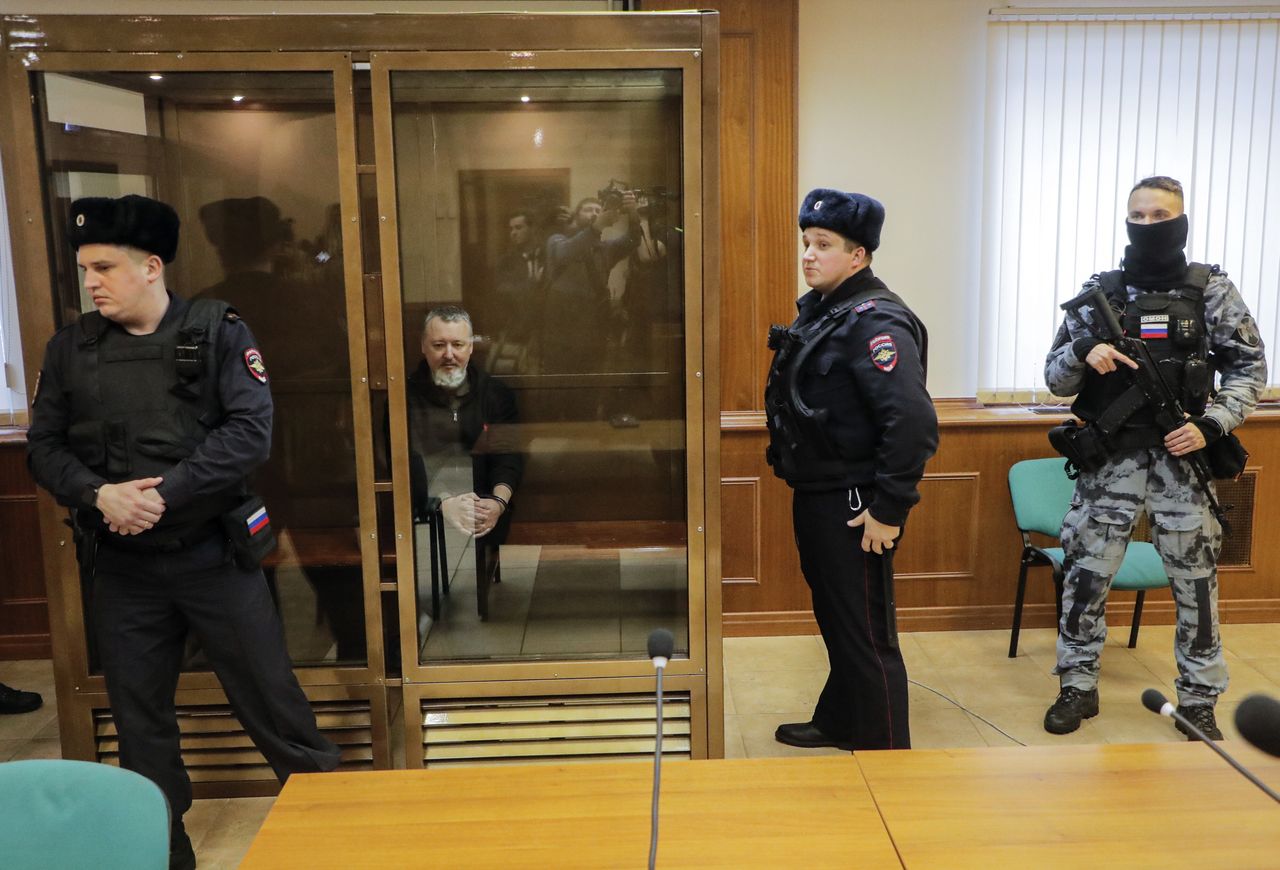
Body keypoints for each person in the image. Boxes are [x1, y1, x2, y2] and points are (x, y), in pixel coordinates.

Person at [26, 195, 341, 870]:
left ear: (151, 266)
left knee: (278, 711)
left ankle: (334, 843)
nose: (91, 282)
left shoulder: (218, 330)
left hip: (214, 556)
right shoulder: (71, 350)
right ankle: (166, 858)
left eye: (104, 267)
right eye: (84, 269)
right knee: (141, 732)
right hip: (122, 569)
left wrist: (161, 496)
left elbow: (249, 434)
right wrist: (99, 493)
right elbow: (44, 447)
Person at [1042, 176, 1266, 740]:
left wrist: (1211, 425)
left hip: (1181, 461)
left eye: (1159, 215)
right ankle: (1077, 686)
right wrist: (1082, 351)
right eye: (1137, 217)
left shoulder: (1211, 289)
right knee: (1086, 576)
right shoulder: (1102, 292)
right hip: (1109, 461)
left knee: (1196, 583)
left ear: (1182, 219)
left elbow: (1249, 370)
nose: (1148, 226)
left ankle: (1199, 699)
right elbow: (1054, 380)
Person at [766, 188, 938, 751]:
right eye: (806, 243)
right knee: (840, 620)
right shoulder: (827, 310)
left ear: (858, 255)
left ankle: (887, 750)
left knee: (866, 632)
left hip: (856, 501)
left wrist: (887, 511)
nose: (809, 255)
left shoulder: (875, 322)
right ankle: (840, 719)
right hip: (821, 490)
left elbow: (911, 423)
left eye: (824, 245)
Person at [405, 305, 523, 545]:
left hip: (483, 506)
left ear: (470, 347)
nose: (449, 354)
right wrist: (443, 503)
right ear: (423, 347)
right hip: (425, 508)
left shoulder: (496, 394)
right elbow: (403, 462)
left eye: (457, 345)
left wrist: (498, 503)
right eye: (439, 345)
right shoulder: (404, 398)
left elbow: (508, 457)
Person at [542, 194, 638, 375]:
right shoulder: (556, 240)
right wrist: (597, 226)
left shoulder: (606, 248)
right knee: (558, 379)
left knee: (591, 379)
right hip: (561, 328)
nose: (593, 213)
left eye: (597, 210)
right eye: (587, 210)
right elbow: (566, 253)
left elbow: (633, 240)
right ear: (576, 216)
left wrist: (632, 212)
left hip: (592, 327)